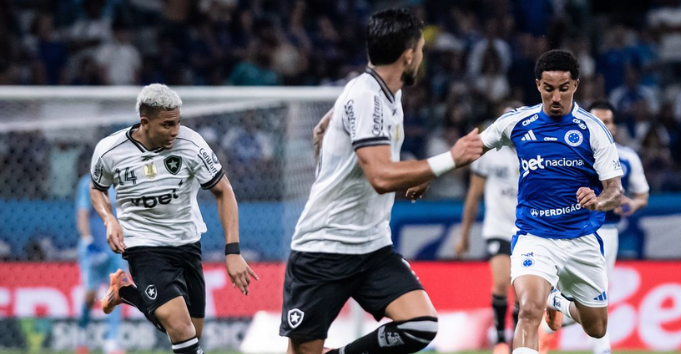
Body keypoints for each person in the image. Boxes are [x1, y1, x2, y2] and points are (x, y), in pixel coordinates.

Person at [280, 8, 484, 354]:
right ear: (408, 56)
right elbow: (379, 176)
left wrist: (414, 172)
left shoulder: (385, 92)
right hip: (325, 249)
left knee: (419, 325)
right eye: (421, 49)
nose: (422, 57)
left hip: (371, 247)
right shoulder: (366, 96)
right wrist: (450, 159)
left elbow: (324, 130)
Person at [90, 83, 258, 354]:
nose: (175, 130)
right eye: (167, 124)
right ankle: (130, 292)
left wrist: (233, 251)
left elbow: (224, 191)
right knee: (180, 329)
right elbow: (97, 188)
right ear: (145, 122)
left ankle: (126, 292)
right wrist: (109, 218)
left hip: (187, 244)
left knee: (192, 334)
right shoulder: (110, 150)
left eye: (178, 122)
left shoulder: (191, 144)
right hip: (143, 246)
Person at [478, 49, 624, 354]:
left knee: (597, 327)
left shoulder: (593, 130)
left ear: (576, 85)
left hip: (581, 237)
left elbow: (615, 191)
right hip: (535, 235)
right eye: (548, 89)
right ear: (537, 85)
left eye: (563, 89)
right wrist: (430, 173)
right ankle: (542, 305)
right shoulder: (517, 122)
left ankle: (558, 302)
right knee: (529, 310)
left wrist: (598, 201)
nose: (555, 97)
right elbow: (473, 147)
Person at [539, 101, 650, 354]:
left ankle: (551, 314)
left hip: (609, 233)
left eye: (607, 121)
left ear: (615, 126)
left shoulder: (628, 157)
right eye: (597, 121)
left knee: (593, 302)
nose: (603, 126)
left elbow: (643, 195)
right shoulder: (571, 153)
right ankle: (601, 349)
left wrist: (633, 203)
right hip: (576, 232)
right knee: (597, 296)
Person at [455, 142, 520, 354]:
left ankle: (518, 340)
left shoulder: (534, 149)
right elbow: (474, 194)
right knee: (501, 282)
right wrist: (464, 235)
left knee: (521, 291)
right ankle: (500, 340)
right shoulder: (490, 154)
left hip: (525, 229)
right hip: (497, 228)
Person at [75, 173, 125, 354]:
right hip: (94, 248)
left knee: (116, 291)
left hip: (116, 248)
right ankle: (82, 333)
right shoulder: (87, 183)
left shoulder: (122, 181)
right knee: (90, 295)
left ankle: (111, 341)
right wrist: (87, 241)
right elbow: (82, 214)